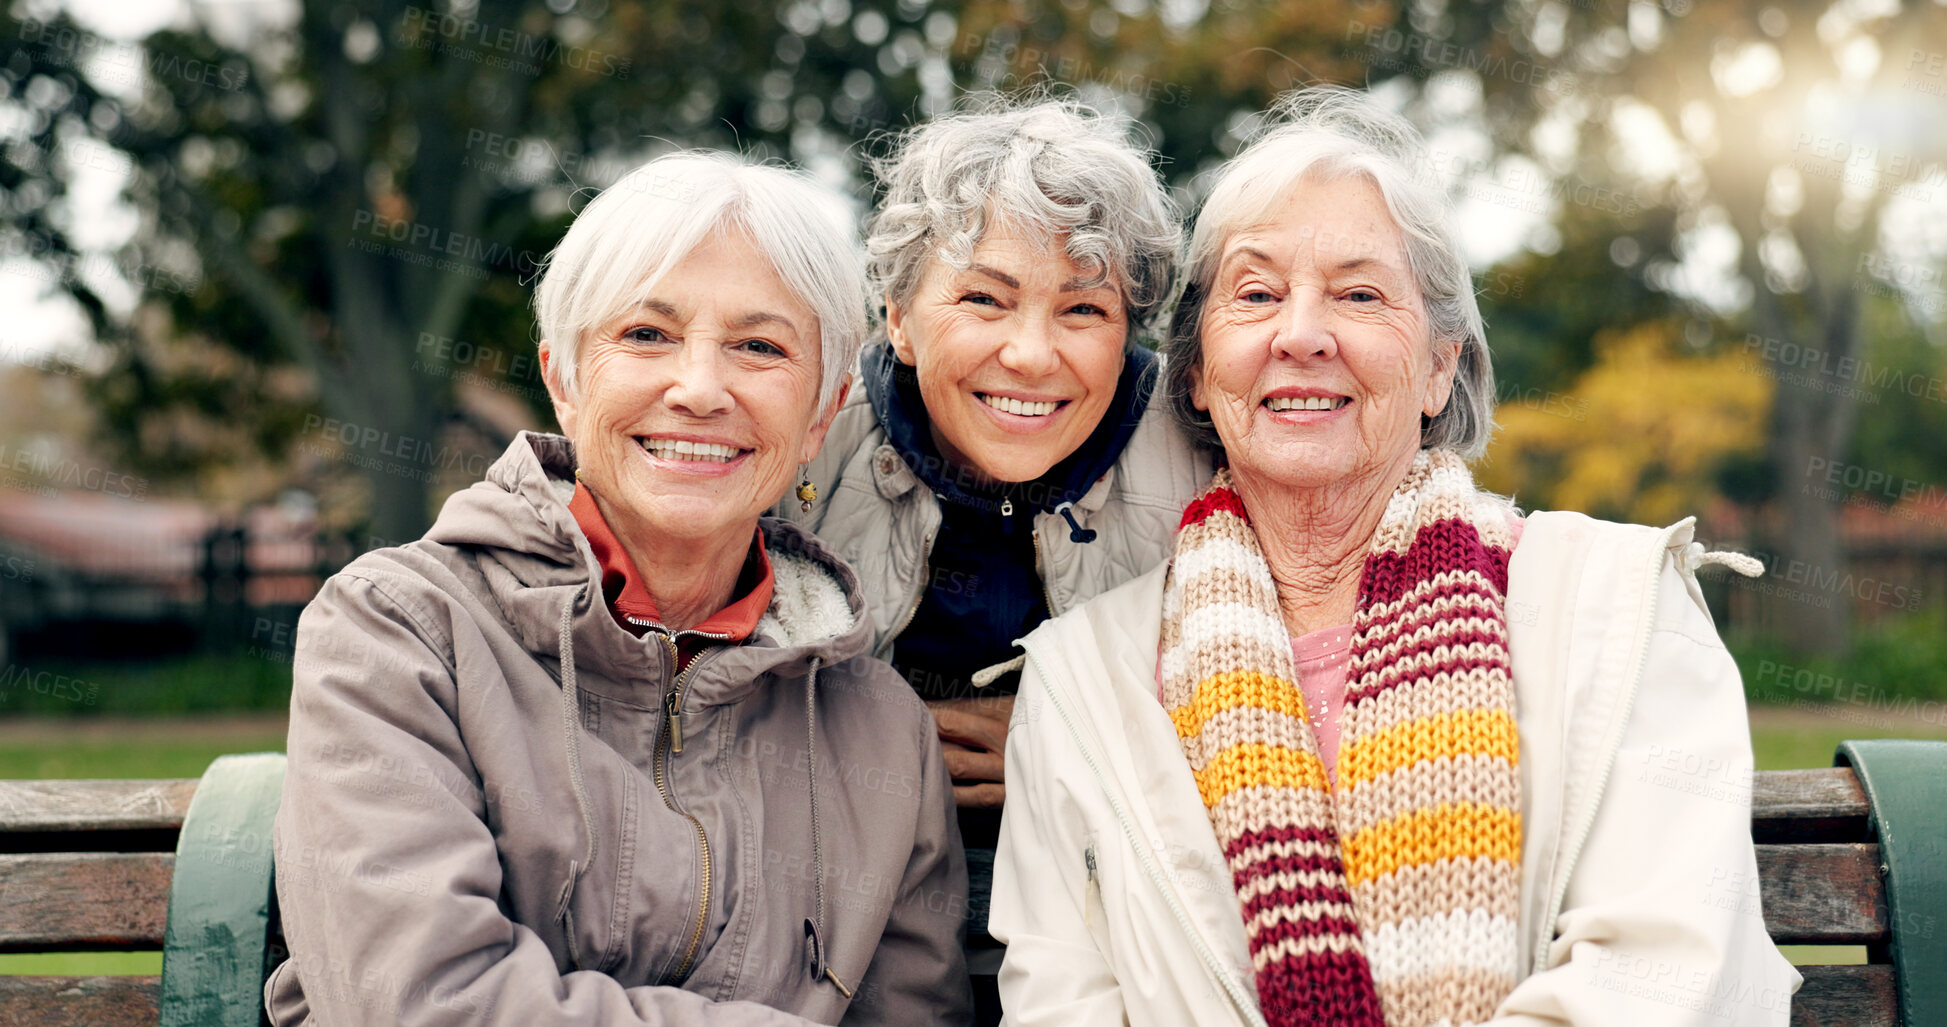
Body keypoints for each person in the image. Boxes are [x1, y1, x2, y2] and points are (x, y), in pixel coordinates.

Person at [990, 87, 1801, 1026]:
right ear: (1199, 375)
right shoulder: (1083, 678)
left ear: (1436, 366)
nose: (1300, 333)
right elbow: (1061, 1005)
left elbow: (1664, 977)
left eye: (1359, 293)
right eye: (1255, 294)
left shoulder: (1616, 606)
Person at [269, 152, 972, 1026]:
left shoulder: (876, 725)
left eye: (760, 346)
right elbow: (419, 1004)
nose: (700, 388)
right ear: (563, 380)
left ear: (820, 418)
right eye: (647, 335)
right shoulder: (400, 631)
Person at [775, 97, 1214, 1011]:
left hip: (1110, 920)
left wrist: (1066, 739)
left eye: (1083, 307)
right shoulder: (797, 438)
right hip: (827, 908)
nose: (1030, 352)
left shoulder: (1206, 464)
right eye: (983, 297)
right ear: (897, 318)